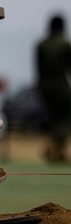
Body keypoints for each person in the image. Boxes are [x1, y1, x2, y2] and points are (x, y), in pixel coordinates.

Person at [36, 14, 71, 163]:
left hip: (45, 86)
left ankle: (54, 147)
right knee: (64, 118)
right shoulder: (65, 44)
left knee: (51, 117)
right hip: (61, 85)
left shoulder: (42, 45)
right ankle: (57, 148)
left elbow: (39, 69)